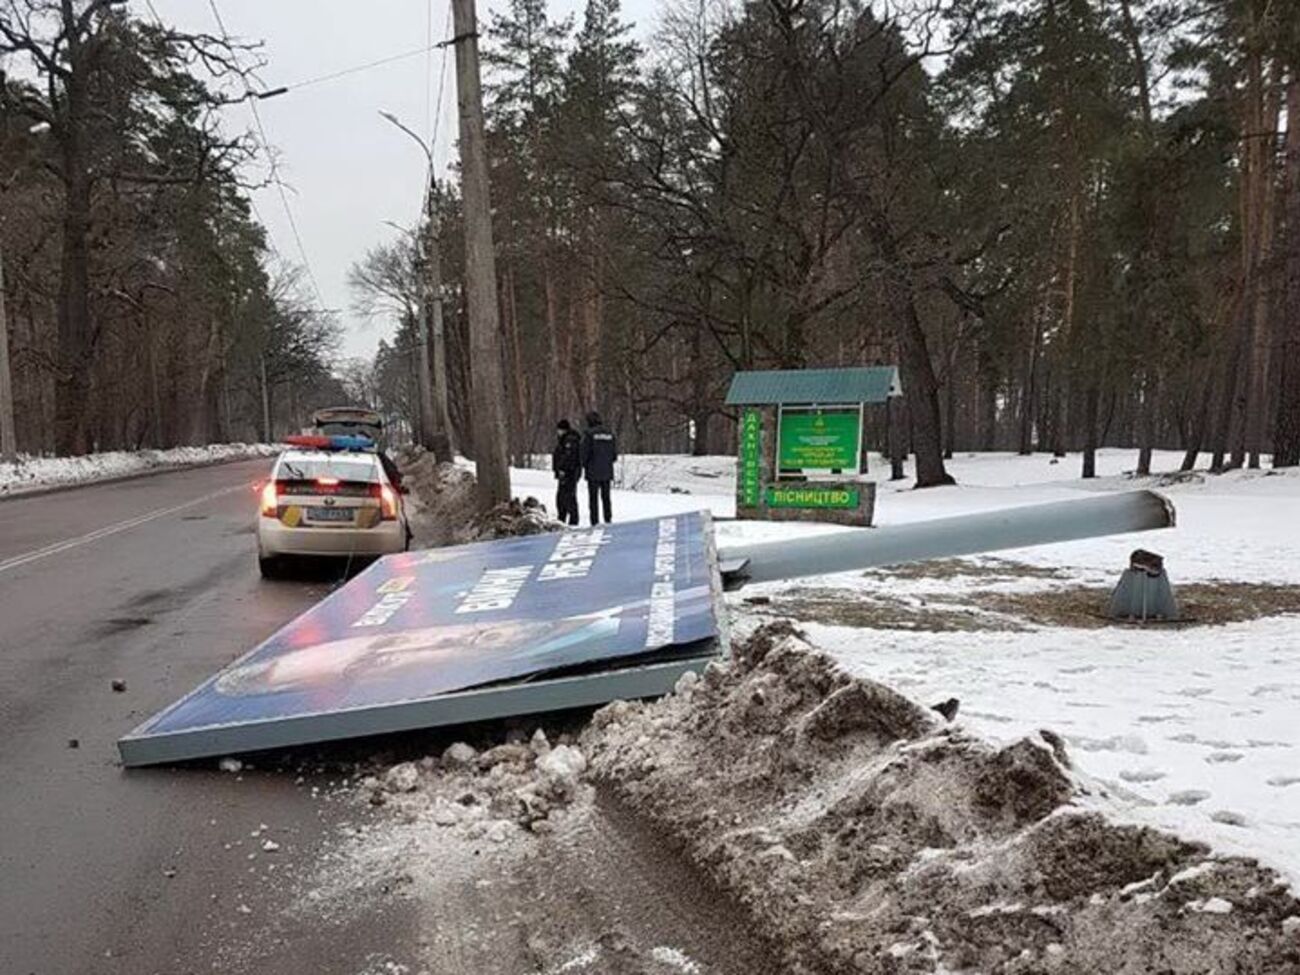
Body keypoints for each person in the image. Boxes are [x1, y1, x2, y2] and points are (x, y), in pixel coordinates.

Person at [580, 410, 617, 525]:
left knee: (593, 498)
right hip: (607, 470)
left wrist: (584, 464)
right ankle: (608, 518)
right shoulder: (610, 434)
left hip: (593, 471)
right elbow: (614, 454)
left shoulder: (589, 434)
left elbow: (584, 453)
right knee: (606, 497)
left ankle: (595, 521)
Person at [551, 418, 582, 526]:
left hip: (569, 473)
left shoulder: (570, 440)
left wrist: (562, 468)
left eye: (559, 430)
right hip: (564, 473)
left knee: (568, 497)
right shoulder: (564, 440)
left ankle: (573, 520)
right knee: (561, 498)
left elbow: (569, 457)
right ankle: (562, 518)